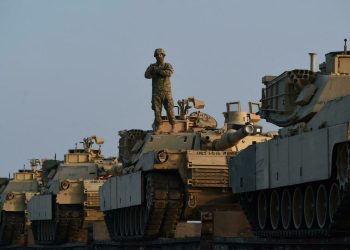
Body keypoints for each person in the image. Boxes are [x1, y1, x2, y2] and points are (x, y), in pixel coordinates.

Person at [145, 48, 176, 133]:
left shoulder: (167, 65)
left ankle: (173, 126)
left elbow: (169, 73)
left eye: (161, 54)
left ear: (163, 55)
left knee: (169, 110)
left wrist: (158, 71)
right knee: (157, 112)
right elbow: (146, 75)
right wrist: (152, 72)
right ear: (155, 56)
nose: (159, 56)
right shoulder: (152, 66)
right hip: (156, 92)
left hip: (166, 92)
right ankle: (158, 127)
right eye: (157, 55)